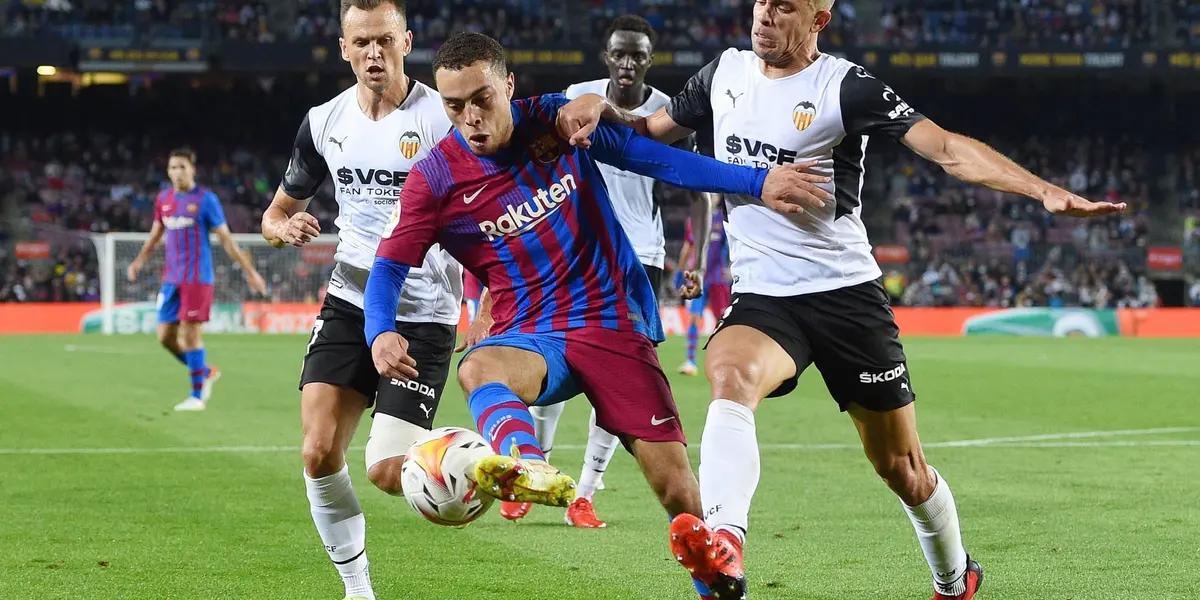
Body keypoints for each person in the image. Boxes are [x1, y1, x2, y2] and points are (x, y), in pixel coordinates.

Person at [556, 1, 1127, 598]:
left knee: (900, 468)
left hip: (846, 298)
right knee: (729, 372)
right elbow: (647, 135)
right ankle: (725, 542)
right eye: (760, 3)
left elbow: (948, 149)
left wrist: (1043, 191)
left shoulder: (845, 87)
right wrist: (602, 111)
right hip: (765, 295)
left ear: (817, 20)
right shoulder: (721, 74)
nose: (765, 16)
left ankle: (956, 577)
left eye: (784, 7)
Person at [363, 32, 830, 600]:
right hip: (532, 335)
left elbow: (658, 160)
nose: (471, 118)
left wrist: (759, 182)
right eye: (454, 106)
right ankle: (526, 465)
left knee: (681, 498)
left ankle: (719, 582)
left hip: (613, 324)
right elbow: (388, 267)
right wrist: (380, 330)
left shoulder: (557, 125)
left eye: (482, 99)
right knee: (478, 368)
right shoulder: (435, 179)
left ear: (508, 85)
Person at [259, 1, 463, 598]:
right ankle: (358, 589)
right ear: (344, 48)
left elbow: (483, 210)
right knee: (319, 451)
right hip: (350, 301)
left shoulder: (440, 119)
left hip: (424, 311)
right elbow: (276, 212)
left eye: (385, 40)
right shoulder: (324, 122)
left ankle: (470, 462)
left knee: (385, 472)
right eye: (362, 42)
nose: (374, 53)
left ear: (407, 41)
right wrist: (284, 228)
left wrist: (492, 295)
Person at [508, 13, 713, 529]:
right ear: (607, 56)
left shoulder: (667, 112)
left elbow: (699, 193)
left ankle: (584, 493)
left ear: (650, 58)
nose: (627, 63)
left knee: (615, 377)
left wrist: (696, 258)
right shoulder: (578, 96)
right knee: (553, 356)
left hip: (638, 255)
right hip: (574, 247)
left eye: (637, 54)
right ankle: (534, 473)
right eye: (619, 53)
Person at [127, 147, 267, 411]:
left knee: (190, 334)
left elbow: (226, 239)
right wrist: (139, 261)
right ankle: (206, 371)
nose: (177, 172)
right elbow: (156, 233)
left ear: (193, 169)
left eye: (181, 166)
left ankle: (197, 396)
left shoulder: (206, 200)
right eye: (172, 168)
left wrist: (250, 272)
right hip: (171, 279)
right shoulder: (164, 199)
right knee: (165, 337)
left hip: (197, 279)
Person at [676, 201, 731, 376]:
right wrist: (680, 272)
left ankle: (725, 361)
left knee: (722, 321)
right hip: (698, 277)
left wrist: (730, 267)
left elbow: (728, 245)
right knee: (693, 317)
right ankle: (690, 361)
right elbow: (688, 245)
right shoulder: (694, 219)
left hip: (718, 278)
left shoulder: (723, 218)